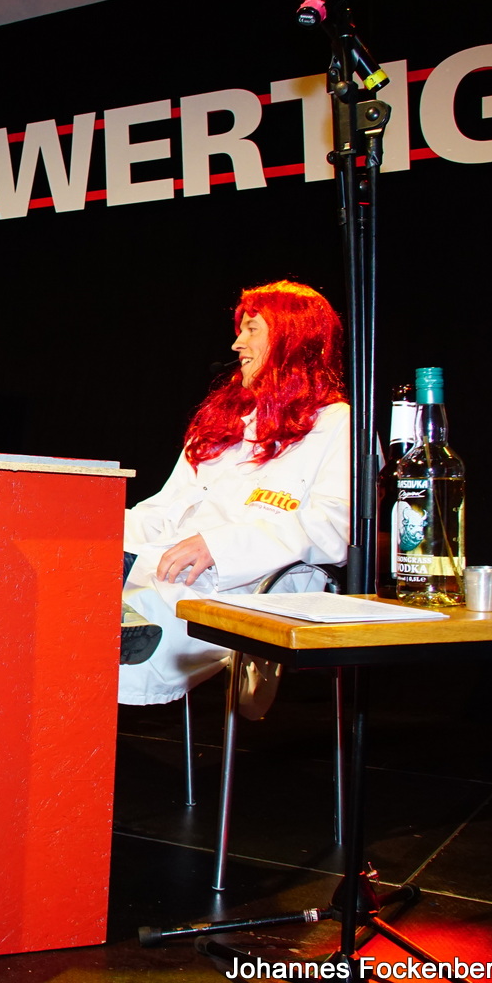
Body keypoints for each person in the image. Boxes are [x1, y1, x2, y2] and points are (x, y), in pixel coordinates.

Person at [119, 280, 351, 709]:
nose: (236, 343)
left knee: (124, 617)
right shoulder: (222, 425)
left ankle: (108, 644)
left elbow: (334, 529)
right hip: (168, 572)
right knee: (73, 588)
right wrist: (97, 531)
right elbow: (163, 512)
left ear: (292, 337)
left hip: (253, 587)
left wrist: (219, 546)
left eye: (252, 330)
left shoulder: (336, 424)